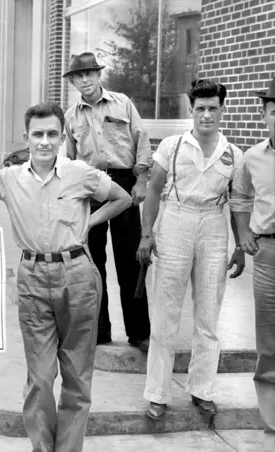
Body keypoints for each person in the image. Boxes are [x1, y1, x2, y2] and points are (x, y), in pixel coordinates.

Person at [0, 99, 132, 452]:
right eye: (37, 134)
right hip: (31, 277)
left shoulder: (81, 173)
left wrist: (87, 223)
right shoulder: (9, 179)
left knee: (77, 377)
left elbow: (122, 198)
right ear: (26, 137)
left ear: (62, 137)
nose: (45, 141)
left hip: (76, 276)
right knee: (41, 378)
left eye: (52, 134)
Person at [137, 79, 245, 420]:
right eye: (200, 108)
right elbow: (153, 191)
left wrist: (240, 245)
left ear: (222, 110)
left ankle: (203, 389)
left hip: (213, 225)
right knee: (166, 313)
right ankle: (157, 392)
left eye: (213, 108)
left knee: (209, 314)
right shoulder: (171, 146)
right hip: (176, 222)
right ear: (191, 110)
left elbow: (239, 202)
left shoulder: (233, 153)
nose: (207, 115)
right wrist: (146, 234)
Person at [62, 52, 152, 351]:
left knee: (130, 260)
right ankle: (98, 330)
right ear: (73, 82)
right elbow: (70, 159)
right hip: (90, 188)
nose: (85, 79)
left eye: (90, 73)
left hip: (124, 184)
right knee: (92, 263)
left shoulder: (122, 103)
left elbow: (141, 138)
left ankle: (139, 331)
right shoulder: (71, 116)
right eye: (78, 76)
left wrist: (141, 179)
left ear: (99, 75)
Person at [229, 76, 275, 450]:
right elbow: (240, 196)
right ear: (264, 115)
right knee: (269, 338)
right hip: (269, 255)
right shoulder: (252, 158)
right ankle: (273, 419)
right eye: (274, 112)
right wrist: (243, 236)